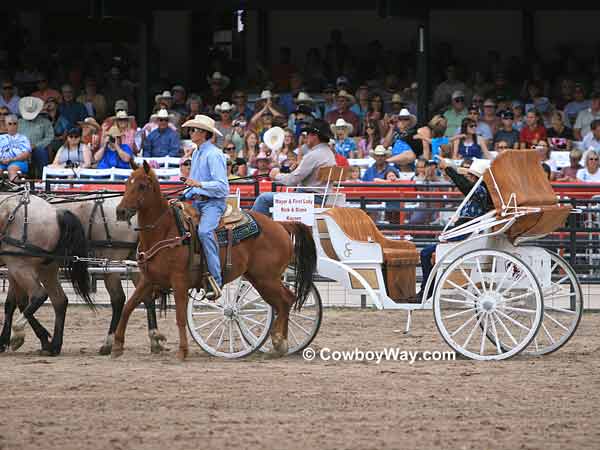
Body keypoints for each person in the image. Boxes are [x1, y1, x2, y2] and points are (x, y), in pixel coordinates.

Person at [415, 157, 494, 301]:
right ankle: (426, 291)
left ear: (476, 178)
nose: (467, 178)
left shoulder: (480, 191)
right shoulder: (480, 192)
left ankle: (425, 292)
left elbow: (464, 185)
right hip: (464, 234)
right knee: (427, 252)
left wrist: (448, 169)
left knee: (426, 253)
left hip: (464, 237)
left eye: (470, 176)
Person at [180, 114, 229, 298]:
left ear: (204, 133)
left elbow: (222, 187)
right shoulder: (198, 152)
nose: (191, 132)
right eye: (191, 129)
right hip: (197, 201)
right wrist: (183, 195)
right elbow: (193, 183)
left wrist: (200, 185)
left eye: (194, 130)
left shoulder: (214, 154)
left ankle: (216, 280)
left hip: (213, 204)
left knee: (204, 232)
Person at [251, 119, 336, 216]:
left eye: (307, 134)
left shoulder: (313, 155)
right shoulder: (329, 153)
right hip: (320, 197)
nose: (306, 137)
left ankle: (253, 230)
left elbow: (292, 180)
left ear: (314, 136)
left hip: (307, 199)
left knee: (263, 198)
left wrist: (276, 175)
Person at [17, 96, 54, 175]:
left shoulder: (45, 122)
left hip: (38, 148)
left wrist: (36, 145)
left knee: (41, 152)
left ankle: (43, 177)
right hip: (21, 149)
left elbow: (50, 137)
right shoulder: (18, 122)